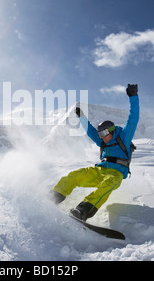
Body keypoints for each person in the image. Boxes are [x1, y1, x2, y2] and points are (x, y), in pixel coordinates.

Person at [50, 84, 139, 221]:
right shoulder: (103, 141)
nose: (101, 136)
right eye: (100, 134)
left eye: (104, 133)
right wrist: (81, 117)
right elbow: (90, 131)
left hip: (116, 174)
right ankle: (54, 197)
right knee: (74, 175)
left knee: (107, 185)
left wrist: (133, 97)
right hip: (99, 171)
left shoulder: (124, 137)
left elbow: (133, 118)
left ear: (111, 130)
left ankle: (82, 211)